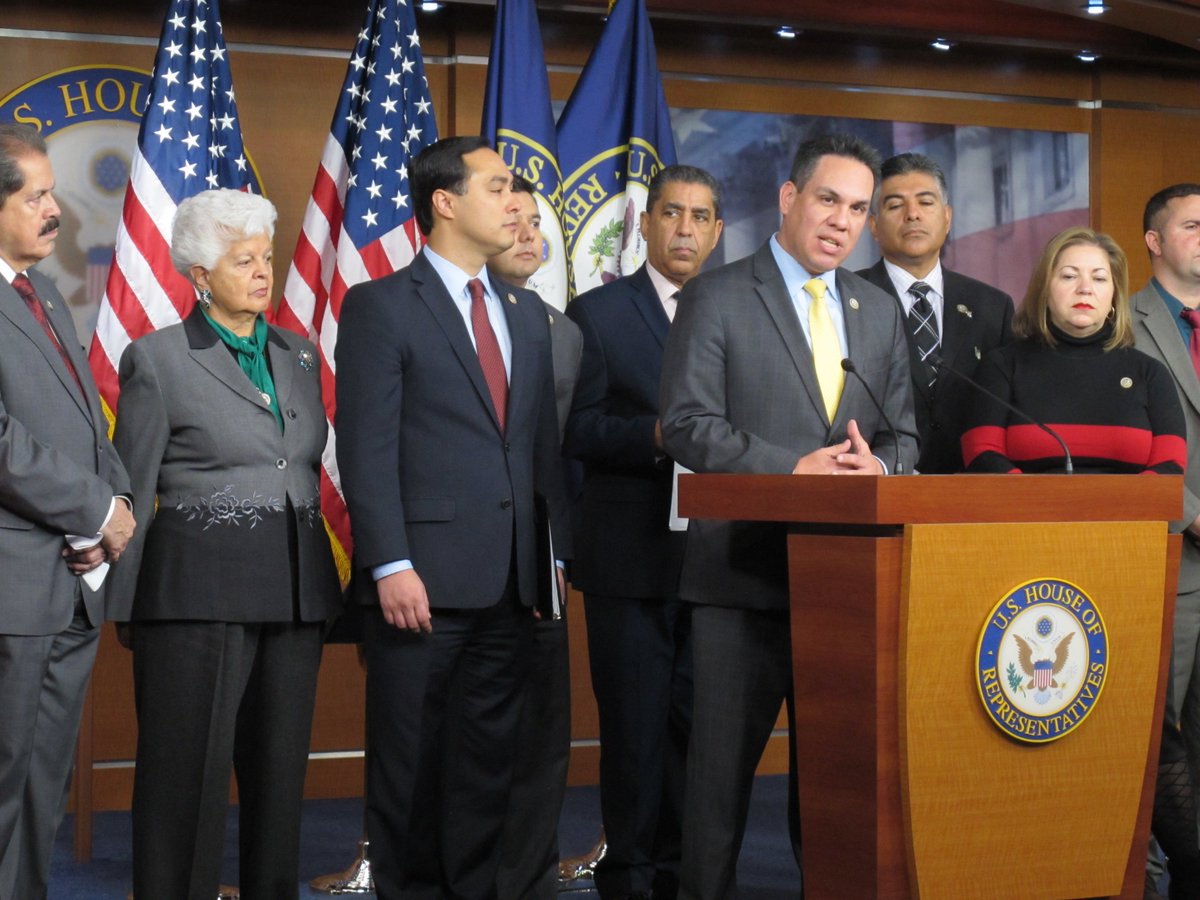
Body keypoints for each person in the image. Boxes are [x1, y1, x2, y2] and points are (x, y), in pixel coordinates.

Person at [659, 133, 917, 900]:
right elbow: (687, 424)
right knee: (716, 793)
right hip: (739, 584)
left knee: (837, 792)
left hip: (847, 589)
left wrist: (882, 468)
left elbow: (904, 436)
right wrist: (792, 467)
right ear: (788, 198)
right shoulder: (718, 295)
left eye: (858, 209)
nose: (842, 221)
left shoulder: (877, 310)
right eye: (828, 200)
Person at [335, 136, 570, 899]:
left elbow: (539, 453)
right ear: (444, 201)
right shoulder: (380, 306)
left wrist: (550, 561)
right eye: (497, 186)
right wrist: (390, 562)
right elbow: (365, 449)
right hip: (421, 585)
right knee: (411, 770)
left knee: (485, 771)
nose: (515, 203)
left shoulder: (525, 314)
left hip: (513, 587)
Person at [109, 188, 340, 898]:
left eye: (265, 257)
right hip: (194, 598)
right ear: (200, 275)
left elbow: (298, 464)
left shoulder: (300, 355)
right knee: (185, 781)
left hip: (295, 592)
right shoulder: (157, 360)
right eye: (243, 261)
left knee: (279, 778)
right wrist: (126, 607)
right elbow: (130, 488)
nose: (263, 272)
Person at [961, 225, 1199, 898]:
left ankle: (1184, 870)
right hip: (1022, 580)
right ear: (1046, 287)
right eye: (1069, 275)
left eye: (1099, 277)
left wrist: (1097, 533)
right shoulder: (1003, 367)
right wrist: (1056, 526)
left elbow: (1167, 476)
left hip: (1126, 580)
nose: (1084, 288)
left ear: (1116, 293)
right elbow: (982, 457)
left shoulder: (1146, 373)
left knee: (1148, 729)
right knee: (1041, 730)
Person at [565, 164, 724, 900]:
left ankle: (687, 877)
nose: (685, 229)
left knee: (700, 734)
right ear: (647, 223)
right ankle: (628, 877)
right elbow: (576, 428)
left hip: (718, 562)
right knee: (634, 735)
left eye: (700, 217)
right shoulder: (598, 312)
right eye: (672, 213)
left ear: (717, 231)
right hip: (630, 559)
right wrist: (656, 435)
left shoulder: (738, 310)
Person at [0, 123, 135, 900]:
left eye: (53, 193)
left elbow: (88, 422)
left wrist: (115, 504)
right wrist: (95, 508)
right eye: (36, 197)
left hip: (71, 587)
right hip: (14, 593)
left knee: (39, 794)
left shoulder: (42, 290)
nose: (56, 211)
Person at [489, 175, 582, 900]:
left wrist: (560, 551)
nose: (527, 235)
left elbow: (561, 453)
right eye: (511, 219)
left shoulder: (564, 333)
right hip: (458, 561)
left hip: (541, 557)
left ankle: (529, 878)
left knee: (542, 731)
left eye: (535, 224)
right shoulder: (430, 313)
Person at [1130, 185, 1200, 898]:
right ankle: (1143, 874)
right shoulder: (1123, 322)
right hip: (1168, 556)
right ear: (1154, 241)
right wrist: (1193, 513)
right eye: (1193, 225)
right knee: (1155, 731)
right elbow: (1128, 446)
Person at [858, 152, 1013, 472]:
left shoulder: (992, 307)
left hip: (971, 487)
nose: (912, 214)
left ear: (947, 217)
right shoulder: (848, 298)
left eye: (926, 202)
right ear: (873, 225)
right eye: (895, 205)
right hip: (876, 484)